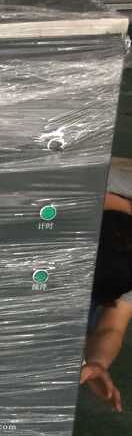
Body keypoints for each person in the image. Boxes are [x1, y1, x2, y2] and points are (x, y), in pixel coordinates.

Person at [80, 165, 132, 411]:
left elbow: (113, 325)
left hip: (80, 283)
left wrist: (98, 362)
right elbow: (72, 192)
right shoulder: (121, 185)